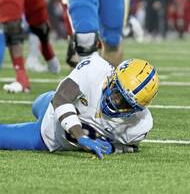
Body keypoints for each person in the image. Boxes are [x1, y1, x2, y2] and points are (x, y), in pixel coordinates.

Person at [0, 57, 158, 158]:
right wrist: (80, 136)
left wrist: (114, 148)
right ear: (112, 78)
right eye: (117, 91)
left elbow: (128, 147)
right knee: (41, 102)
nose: (115, 102)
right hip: (50, 127)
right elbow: (61, 99)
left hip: (56, 135)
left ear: (138, 109)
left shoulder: (140, 125)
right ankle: (44, 99)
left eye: (125, 103)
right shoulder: (95, 69)